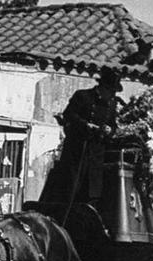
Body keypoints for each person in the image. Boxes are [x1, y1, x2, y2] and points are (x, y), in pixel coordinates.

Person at [40, 67, 122, 206]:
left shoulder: (111, 104)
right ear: (103, 88)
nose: (113, 95)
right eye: (111, 91)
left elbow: (113, 125)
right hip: (77, 151)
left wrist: (109, 130)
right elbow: (68, 115)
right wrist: (86, 125)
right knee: (71, 188)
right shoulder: (82, 96)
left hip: (96, 154)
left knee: (91, 192)